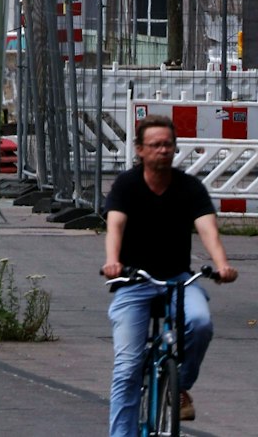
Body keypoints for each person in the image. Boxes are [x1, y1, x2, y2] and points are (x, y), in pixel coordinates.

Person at [102, 114, 239, 434]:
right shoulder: (127, 185)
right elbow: (115, 226)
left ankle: (181, 385)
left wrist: (222, 265)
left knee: (201, 322)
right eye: (155, 145)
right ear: (139, 150)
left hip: (178, 279)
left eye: (168, 144)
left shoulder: (189, 187)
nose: (163, 150)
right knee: (127, 370)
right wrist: (112, 262)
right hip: (134, 281)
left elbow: (208, 230)